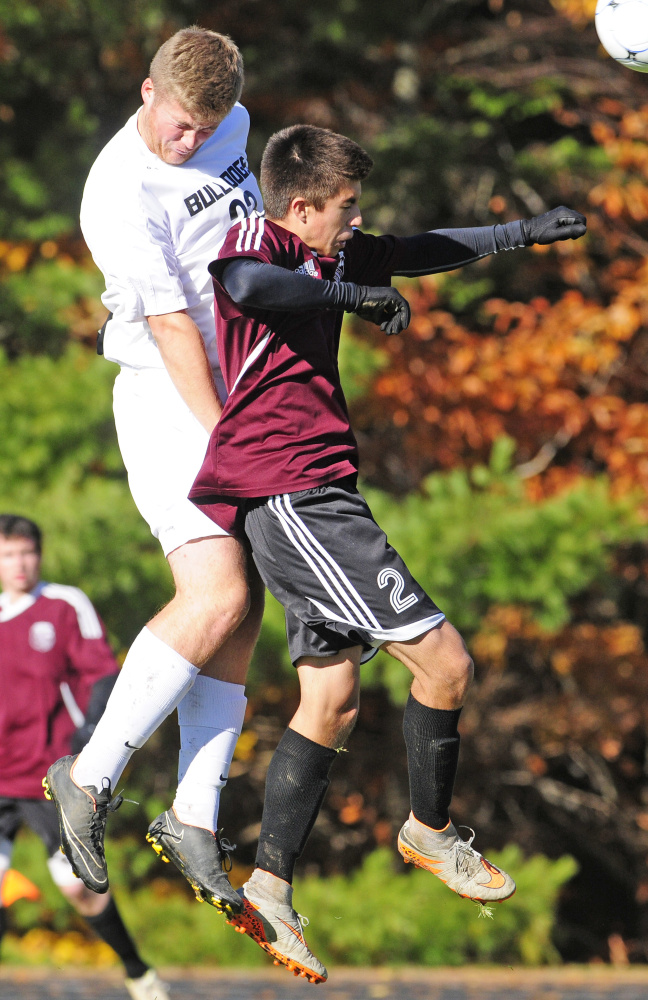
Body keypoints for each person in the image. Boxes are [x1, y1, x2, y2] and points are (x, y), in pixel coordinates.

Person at [188, 124, 588, 983]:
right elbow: (252, 286)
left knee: (329, 699)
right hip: (296, 495)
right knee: (444, 665)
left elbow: (406, 252)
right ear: (300, 206)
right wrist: (351, 301)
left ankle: (268, 887)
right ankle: (429, 833)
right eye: (345, 208)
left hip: (312, 494)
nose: (355, 221)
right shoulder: (256, 245)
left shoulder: (329, 253)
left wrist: (518, 234)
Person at [44, 26, 265, 920]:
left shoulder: (233, 120)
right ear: (145, 92)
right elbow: (174, 329)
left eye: (203, 128)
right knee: (212, 595)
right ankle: (89, 779)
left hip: (240, 388)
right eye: (178, 125)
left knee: (246, 602)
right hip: (173, 398)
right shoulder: (115, 192)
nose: (190, 141)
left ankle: (194, 815)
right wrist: (228, 439)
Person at [0, 515, 169, 1000]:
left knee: (76, 888)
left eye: (26, 551)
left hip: (47, 774)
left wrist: (91, 735)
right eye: (8, 553)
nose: (19, 562)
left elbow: (101, 675)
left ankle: (138, 972)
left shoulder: (64, 605)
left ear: (40, 552)